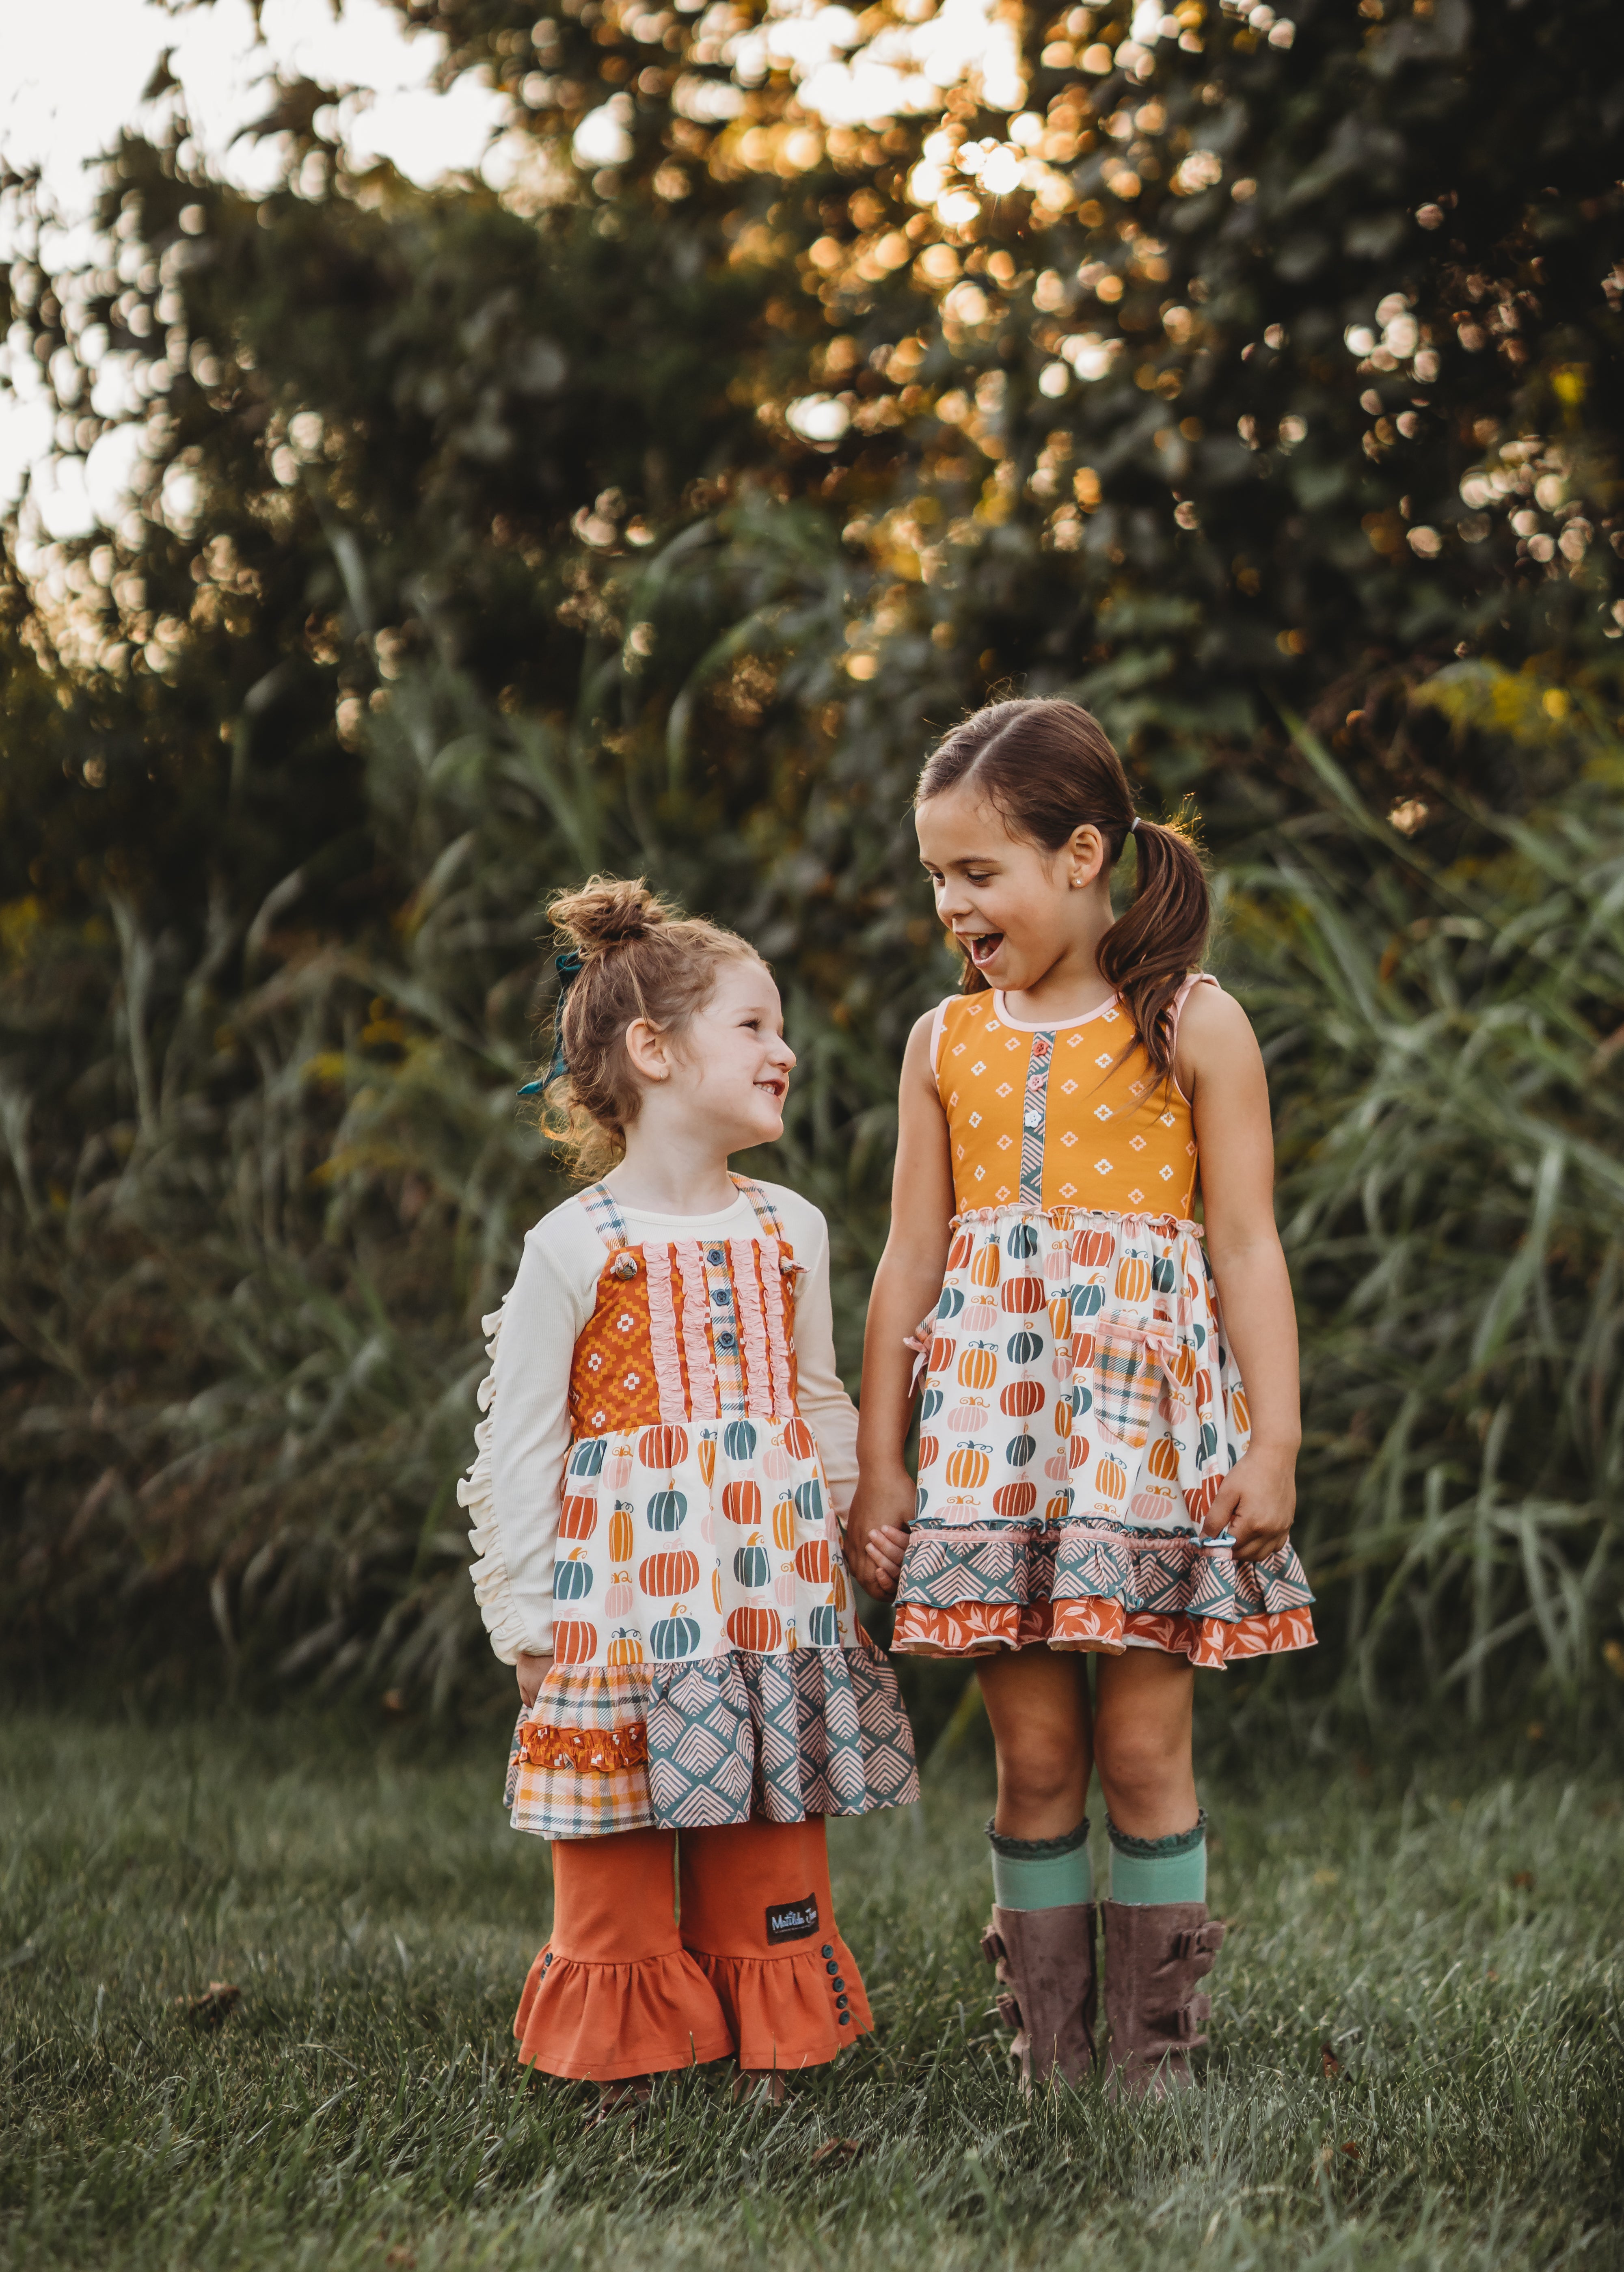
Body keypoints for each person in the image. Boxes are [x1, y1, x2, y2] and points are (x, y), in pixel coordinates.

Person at [845, 698, 1314, 2099]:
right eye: (935, 876)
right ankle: (1051, 2056)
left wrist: (1275, 1437)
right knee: (1037, 1756)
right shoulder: (945, 1042)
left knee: (1141, 1744)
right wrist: (883, 1462)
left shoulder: (1192, 1020)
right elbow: (908, 1262)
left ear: (1081, 854)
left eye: (976, 873)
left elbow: (1245, 1245)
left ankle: (1152, 2058)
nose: (950, 904)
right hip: (995, 1448)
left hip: (1144, 1444)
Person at [461, 877, 916, 2116]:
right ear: (652, 1050)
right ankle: (628, 2050)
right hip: (622, 1609)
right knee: (612, 1833)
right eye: (756, 1025)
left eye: (781, 1028)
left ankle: (770, 2030)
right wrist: (526, 1615)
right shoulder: (576, 1244)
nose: (786, 1050)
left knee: (767, 1808)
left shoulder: (794, 1229)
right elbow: (518, 1448)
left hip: (771, 1596)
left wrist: (858, 1519)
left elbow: (819, 1398)